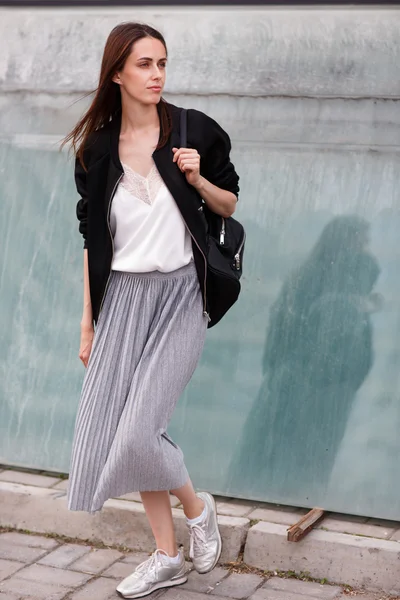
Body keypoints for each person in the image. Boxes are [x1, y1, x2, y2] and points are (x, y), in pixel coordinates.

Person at [61, 22, 239, 600]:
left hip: (180, 296)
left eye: (162, 63)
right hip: (123, 302)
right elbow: (92, 241)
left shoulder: (192, 130)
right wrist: (89, 322)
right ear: (117, 73)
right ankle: (166, 557)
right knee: (124, 431)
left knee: (139, 431)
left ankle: (199, 509)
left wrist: (196, 176)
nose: (157, 75)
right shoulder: (96, 150)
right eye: (144, 65)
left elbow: (230, 203)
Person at [227, 215, 380, 501]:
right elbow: (286, 330)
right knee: (286, 451)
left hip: (316, 388)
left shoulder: (341, 279)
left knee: (290, 451)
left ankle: (285, 494)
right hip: (305, 386)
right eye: (362, 240)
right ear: (345, 241)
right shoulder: (319, 280)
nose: (366, 247)